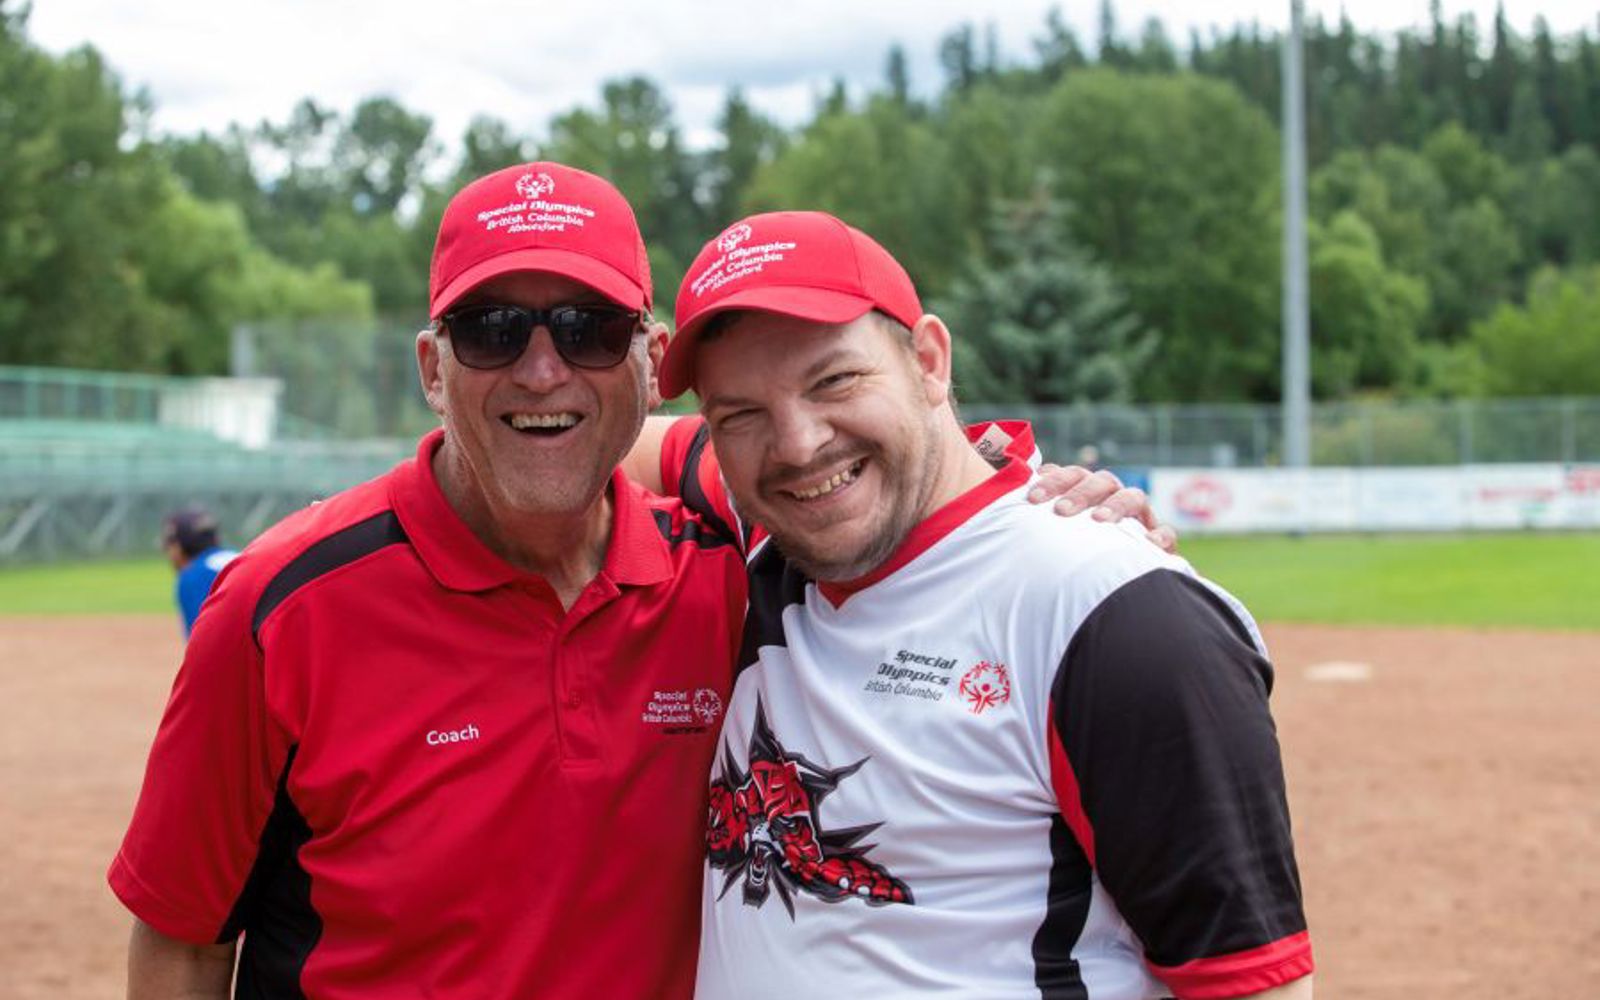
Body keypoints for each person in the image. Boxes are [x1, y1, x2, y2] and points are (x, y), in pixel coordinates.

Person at [109, 164, 1153, 1000]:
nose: (542, 368)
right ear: (432, 368)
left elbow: (848, 466)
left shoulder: (727, 569)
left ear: (652, 365)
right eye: (491, 330)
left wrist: (1023, 497)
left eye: (588, 329)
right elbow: (184, 938)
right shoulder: (280, 606)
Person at [654, 211, 1315, 999]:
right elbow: (583, 445)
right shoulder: (764, 538)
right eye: (741, 413)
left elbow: (1252, 984)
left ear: (929, 361)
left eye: (835, 381)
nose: (797, 445)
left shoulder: (1114, 615)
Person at [160, 505, 238, 637]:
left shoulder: (191, 577)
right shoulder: (242, 556)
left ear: (179, 547)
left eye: (169, 546)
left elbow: (203, 642)